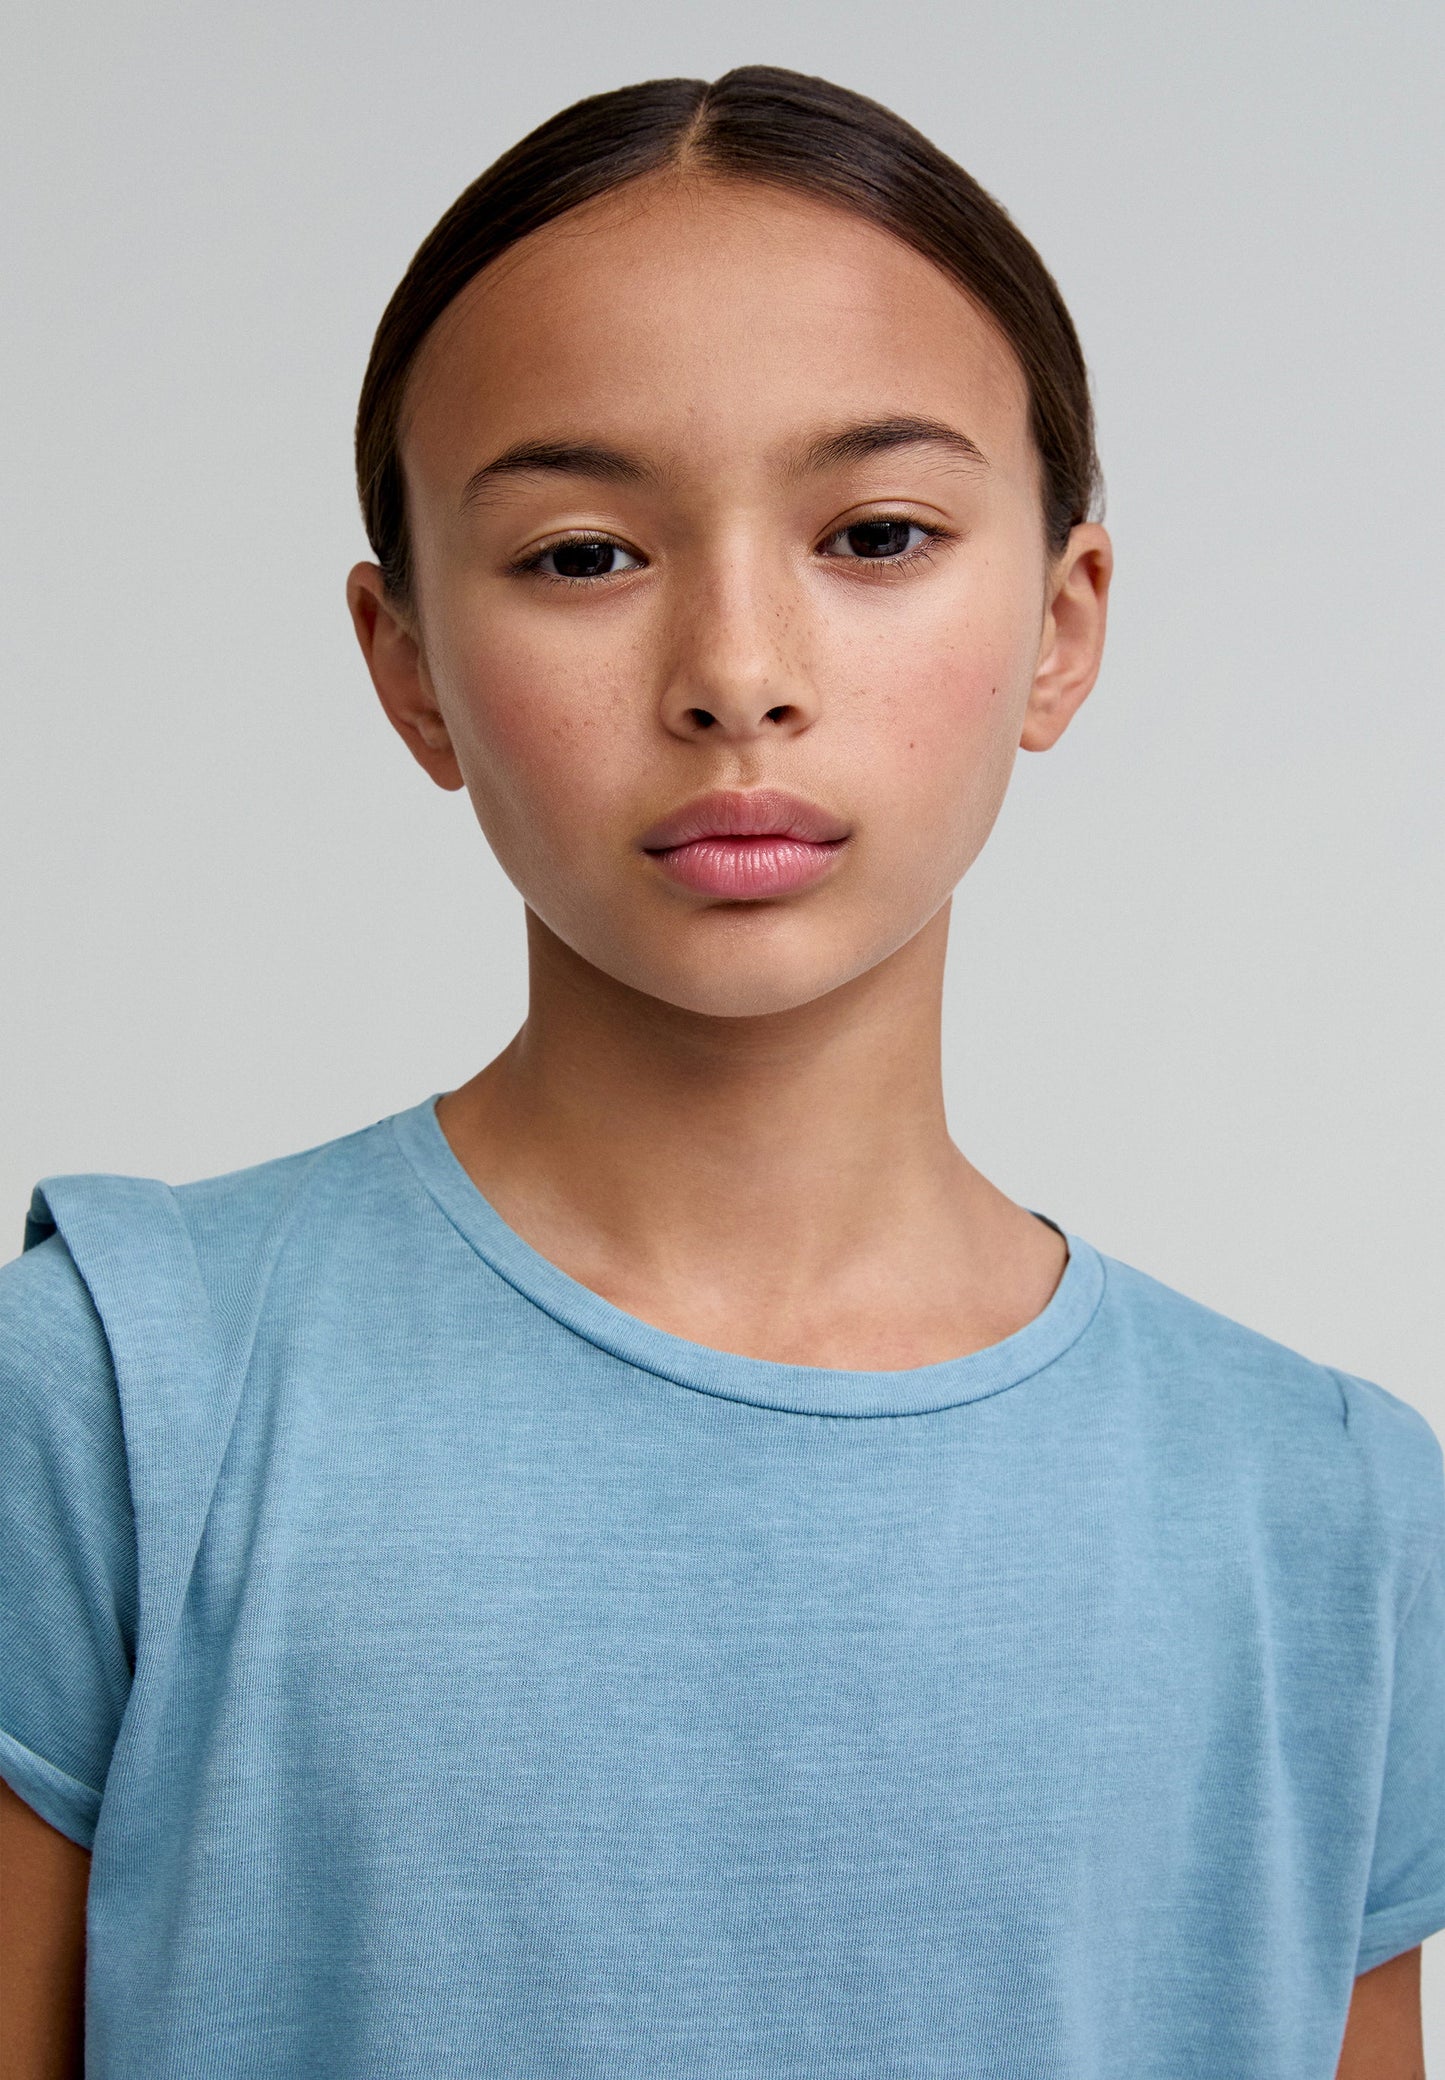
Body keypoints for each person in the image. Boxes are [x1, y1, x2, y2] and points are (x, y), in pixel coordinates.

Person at [1, 66, 1439, 2080]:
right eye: (584, 554)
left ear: (1061, 621)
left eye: (876, 532)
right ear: (408, 665)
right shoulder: (119, 1395)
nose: (736, 672)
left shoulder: (1325, 1507)